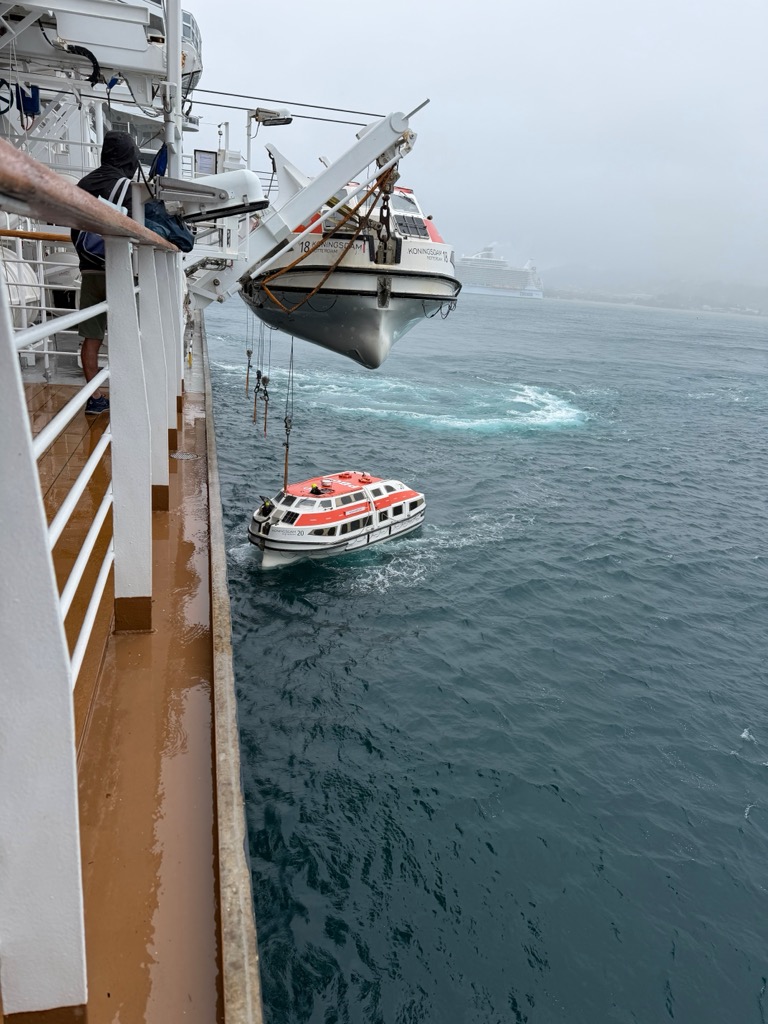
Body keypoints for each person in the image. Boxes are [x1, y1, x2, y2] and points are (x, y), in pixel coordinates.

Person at [72, 131, 141, 415]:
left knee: (92, 336)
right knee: (128, 336)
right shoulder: (127, 187)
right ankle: (128, 396)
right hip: (117, 268)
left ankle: (95, 398)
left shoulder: (84, 183)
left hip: (88, 269)